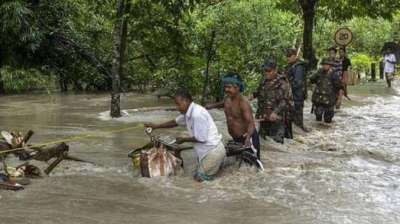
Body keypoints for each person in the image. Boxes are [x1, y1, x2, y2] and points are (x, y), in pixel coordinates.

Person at [145, 89, 225, 182]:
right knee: (201, 178)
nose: (177, 107)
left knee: (198, 180)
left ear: (186, 101)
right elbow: (174, 122)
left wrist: (184, 139)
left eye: (178, 104)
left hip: (213, 151)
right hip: (208, 151)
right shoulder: (188, 113)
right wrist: (155, 126)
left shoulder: (197, 114)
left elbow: (201, 138)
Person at [206, 72, 260, 160]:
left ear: (237, 87)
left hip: (248, 138)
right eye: (225, 87)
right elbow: (220, 104)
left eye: (229, 87)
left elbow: (251, 123)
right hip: (236, 138)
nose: (226, 89)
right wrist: (208, 107)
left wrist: (248, 138)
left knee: (252, 165)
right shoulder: (227, 99)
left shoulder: (243, 103)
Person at [254, 60, 293, 143]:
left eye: (269, 71)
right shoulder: (264, 81)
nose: (266, 73)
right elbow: (257, 92)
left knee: (276, 143)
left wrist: (275, 112)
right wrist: (249, 97)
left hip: (277, 119)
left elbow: (285, 100)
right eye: (265, 71)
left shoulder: (283, 83)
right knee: (263, 142)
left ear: (275, 70)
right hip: (264, 117)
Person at [310, 58, 343, 123]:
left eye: (327, 64)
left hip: (329, 101)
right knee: (318, 119)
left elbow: (339, 87)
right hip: (318, 100)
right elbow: (311, 80)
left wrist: (339, 99)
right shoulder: (319, 72)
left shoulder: (334, 74)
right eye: (324, 64)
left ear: (330, 65)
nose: (325, 66)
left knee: (328, 120)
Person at [285, 48, 308, 131]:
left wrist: (286, 88)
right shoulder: (289, 66)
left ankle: (301, 133)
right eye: (287, 56)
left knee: (297, 121)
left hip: (297, 97)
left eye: (289, 56)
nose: (287, 58)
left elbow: (297, 83)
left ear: (294, 56)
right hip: (290, 97)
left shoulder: (298, 67)